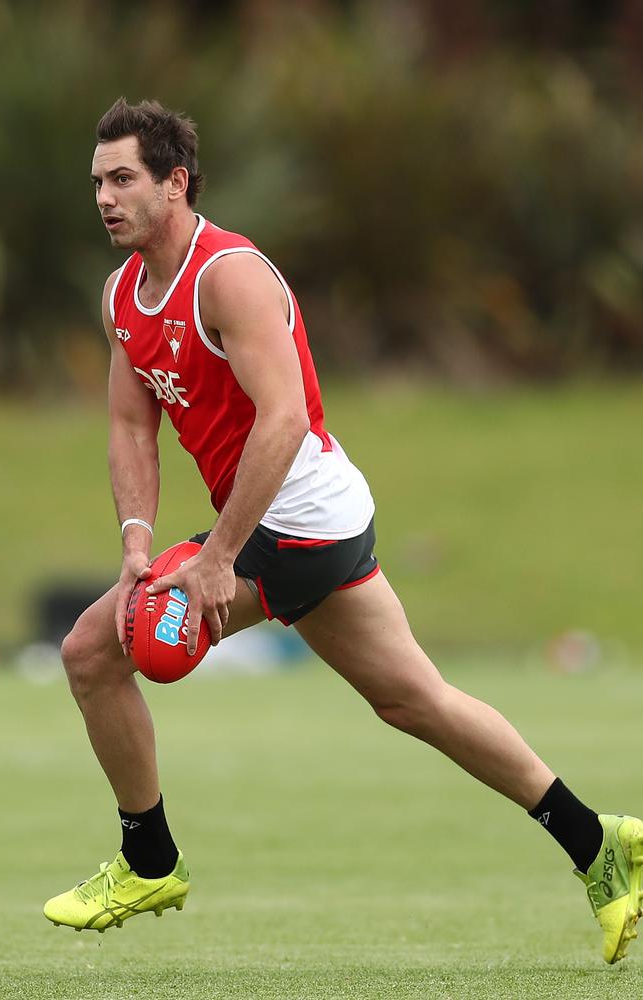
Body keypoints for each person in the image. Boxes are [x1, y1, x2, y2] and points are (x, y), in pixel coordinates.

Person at [44, 97, 642, 963]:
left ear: (176, 183)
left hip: (299, 516)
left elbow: (283, 421)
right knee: (417, 700)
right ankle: (597, 841)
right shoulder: (122, 296)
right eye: (98, 181)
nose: (104, 196)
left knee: (94, 651)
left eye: (124, 178)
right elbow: (132, 427)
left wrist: (215, 561)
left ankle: (150, 860)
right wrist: (138, 540)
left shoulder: (230, 276)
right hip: (295, 517)